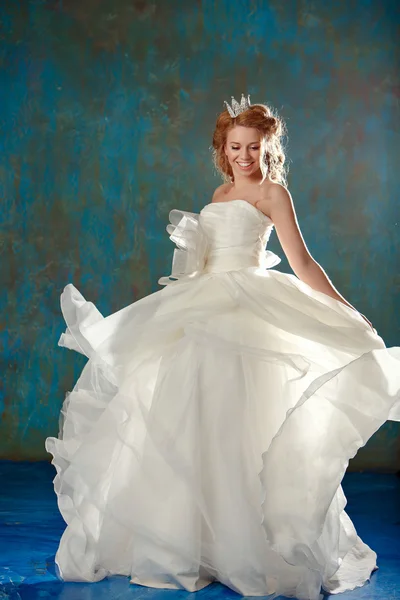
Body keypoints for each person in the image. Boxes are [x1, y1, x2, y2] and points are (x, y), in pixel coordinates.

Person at [45, 94, 400, 600]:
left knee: (245, 418)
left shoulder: (273, 194)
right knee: (192, 414)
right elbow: (204, 263)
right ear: (223, 148)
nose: (244, 157)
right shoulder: (218, 193)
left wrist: (347, 310)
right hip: (205, 304)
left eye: (253, 148)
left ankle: (250, 546)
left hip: (249, 308)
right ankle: (189, 543)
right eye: (236, 147)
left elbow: (302, 263)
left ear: (267, 148)